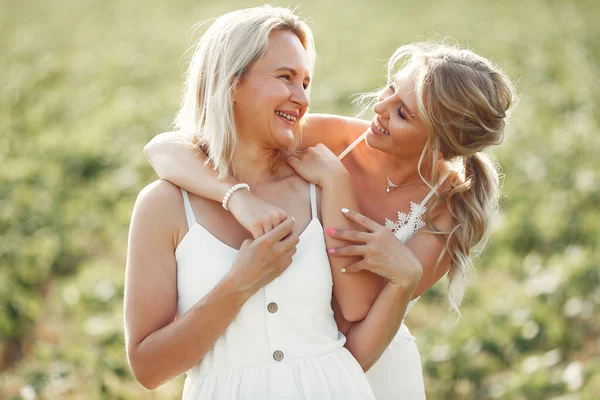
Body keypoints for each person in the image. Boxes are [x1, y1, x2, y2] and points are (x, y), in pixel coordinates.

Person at [144, 32, 517, 398]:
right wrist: (236, 197)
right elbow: (165, 148)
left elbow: (357, 317)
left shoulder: (447, 216)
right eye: (390, 89)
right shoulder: (331, 140)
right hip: (292, 366)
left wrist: (336, 184)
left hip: (369, 369)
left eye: (402, 112)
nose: (380, 108)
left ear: (440, 141)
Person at [125, 5, 422, 399]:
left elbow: (356, 325)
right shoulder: (163, 206)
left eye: (305, 82)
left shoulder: (320, 191)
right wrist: (240, 282)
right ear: (233, 83)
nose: (301, 98)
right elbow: (148, 368)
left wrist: (404, 285)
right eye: (285, 78)